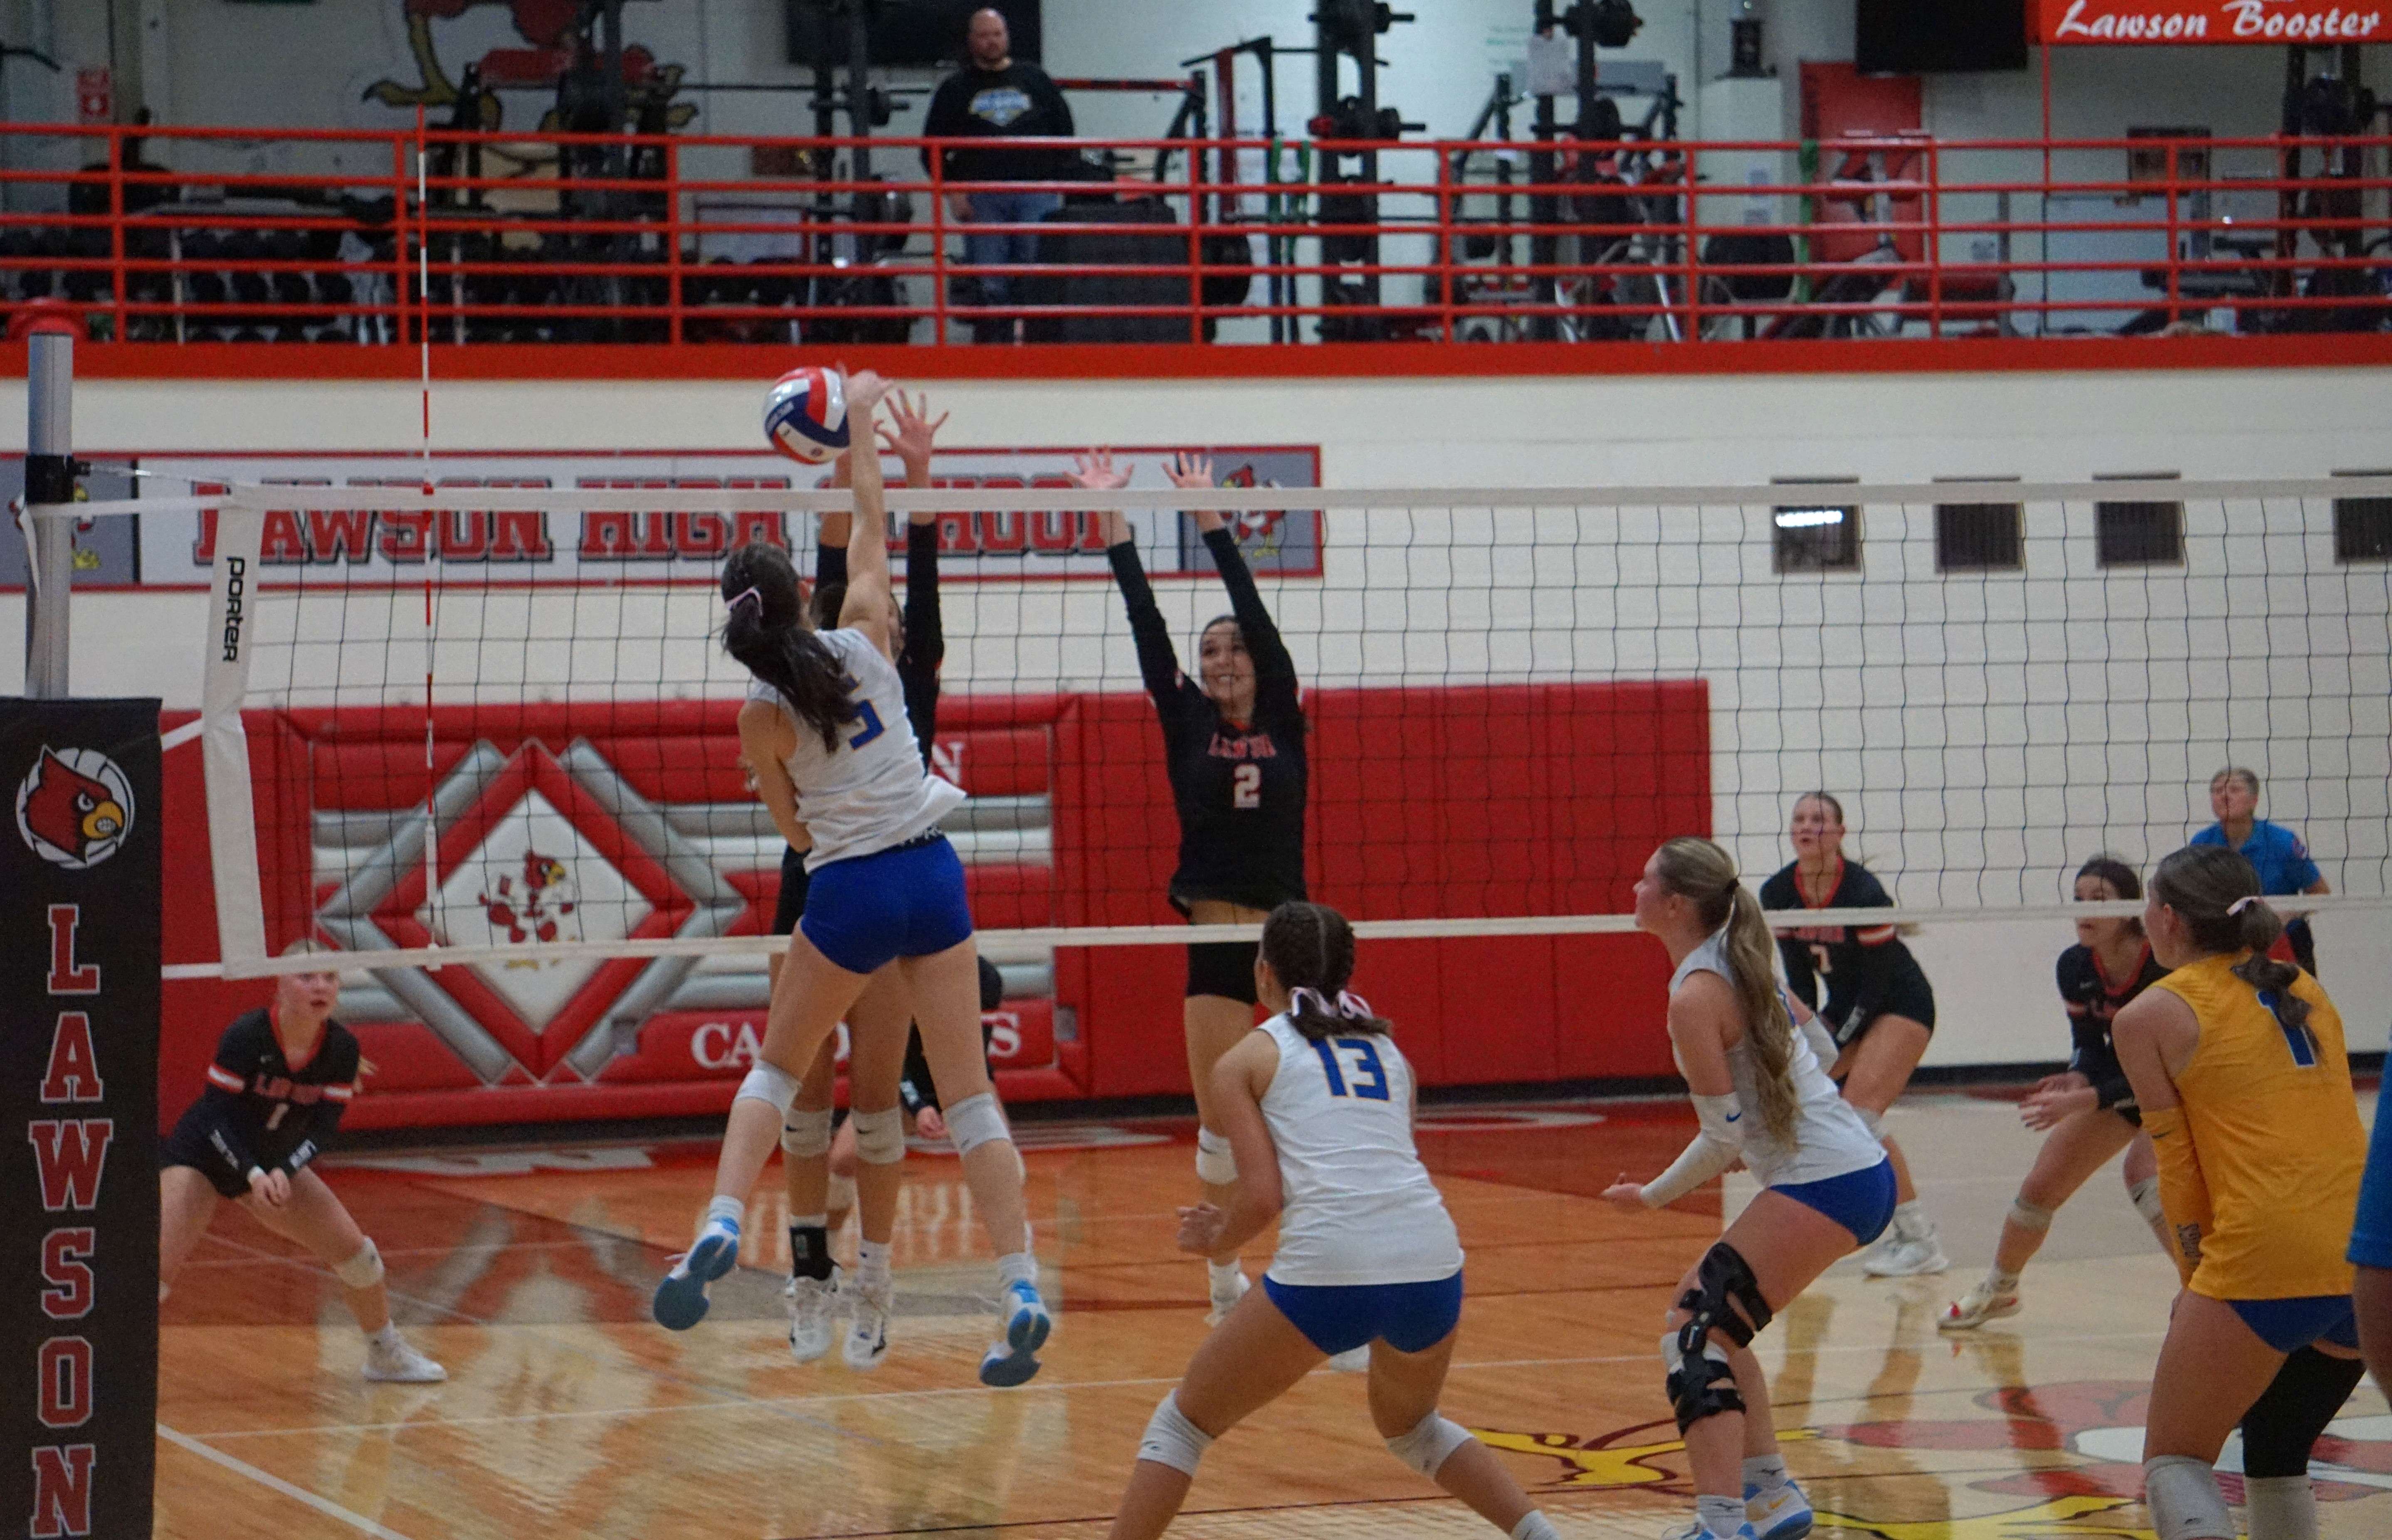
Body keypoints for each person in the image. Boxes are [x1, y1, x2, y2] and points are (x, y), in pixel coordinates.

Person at [655, 370, 1050, 1390]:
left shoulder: (757, 714)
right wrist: (862, 418)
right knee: (970, 1100)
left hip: (847, 888)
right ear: (806, 594)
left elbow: (793, 830)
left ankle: (720, 1221)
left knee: (776, 1074)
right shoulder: (871, 629)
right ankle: (1018, 1282)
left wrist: (802, 803)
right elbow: (870, 516)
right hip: (932, 873)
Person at [1108, 900, 1565, 1540]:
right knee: (1415, 1429)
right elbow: (1386, 1167)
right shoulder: (1390, 1052)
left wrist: (1218, 1239)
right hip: (1432, 1262)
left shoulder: (1244, 1060)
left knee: (1181, 1425)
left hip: (1330, 1268)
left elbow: (1262, 1197)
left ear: (1263, 972)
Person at [1074, 448, 1311, 1332]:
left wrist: (1209, 516)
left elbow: (1253, 608)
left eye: (1232, 647)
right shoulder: (1185, 721)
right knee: (1219, 1126)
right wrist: (1114, 523)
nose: (1220, 658)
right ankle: (1222, 1280)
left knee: (1310, 1115)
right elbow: (1145, 624)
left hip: (1287, 941)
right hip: (1215, 937)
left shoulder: (1283, 710)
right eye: (1208, 650)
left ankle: (1323, 1275)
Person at [1605, 837, 1895, 1540]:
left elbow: (1722, 1140)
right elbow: (1822, 1052)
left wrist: (1650, 1196)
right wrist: (1771, 1117)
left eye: (1645, 880)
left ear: (1675, 904)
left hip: (1827, 1181)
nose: (1634, 890)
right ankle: (1769, 1498)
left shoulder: (1696, 995)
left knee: (1691, 1334)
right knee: (1719, 1334)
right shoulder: (1745, 963)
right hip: (1853, 1171)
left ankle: (1720, 1522)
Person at [770, 391, 966, 1371]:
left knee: (876, 1098)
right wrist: (846, 449)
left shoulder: (908, 662)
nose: (880, 611)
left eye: (890, 611)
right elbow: (848, 555)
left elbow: (898, 560)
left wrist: (912, 473)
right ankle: (809, 1276)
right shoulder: (814, 663)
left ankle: (875, 1281)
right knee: (802, 1099)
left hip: (890, 876)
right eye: (866, 605)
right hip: (816, 880)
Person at [2113, 845, 2367, 1540]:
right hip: (2366, 1254)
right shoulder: (2304, 987)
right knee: (2277, 1450)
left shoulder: (2147, 1016)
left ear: (2167, 918)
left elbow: (2177, 1166)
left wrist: (2195, 1282)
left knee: (2175, 1459)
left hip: (2265, 1255)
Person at [158, 960, 446, 1385]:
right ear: (280, 983)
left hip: (272, 1162)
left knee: (360, 1260)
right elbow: (214, 1118)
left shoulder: (341, 1049)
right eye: (307, 976)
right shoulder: (247, 1035)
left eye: (329, 977)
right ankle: (110, 1365)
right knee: (155, 1271)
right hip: (204, 1155)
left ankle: (385, 1355)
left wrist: (284, 1168)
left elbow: (322, 1129)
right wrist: (253, 1173)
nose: (320, 986)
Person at [1941, 855, 2173, 1331]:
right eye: (2078, 899)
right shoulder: (2074, 965)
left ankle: (2210, 1294)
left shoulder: (2161, 965)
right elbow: (2088, 1045)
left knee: (2142, 1174)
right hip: (2123, 1086)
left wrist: (2085, 1099)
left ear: (2129, 909)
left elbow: (2164, 1069)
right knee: (2040, 1187)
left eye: (2099, 900)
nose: (2084, 909)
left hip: (2182, 1088)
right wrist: (2077, 1079)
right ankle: (2001, 1290)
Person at [1758, 792, 1947, 1278]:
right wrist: (1799, 1040)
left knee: (1859, 1114)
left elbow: (1876, 984)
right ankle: (1808, 1222)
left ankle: (1919, 1240)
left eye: (1818, 820)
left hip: (1899, 1004)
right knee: (1797, 1102)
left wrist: (1835, 1039)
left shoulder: (1863, 892)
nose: (1806, 827)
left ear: (1840, 833)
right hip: (1846, 1008)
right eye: (1799, 819)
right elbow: (1801, 982)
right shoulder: (1778, 892)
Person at [921, 7, 1075, 335]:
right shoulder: (955, 88)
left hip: (1036, 193)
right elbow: (930, 149)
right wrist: (953, 191)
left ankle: (1035, 347)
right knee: (989, 281)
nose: (991, 42)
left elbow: (1065, 132)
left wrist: (1057, 182)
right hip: (983, 196)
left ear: (1007, 37)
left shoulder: (1035, 79)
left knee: (1037, 274)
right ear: (971, 40)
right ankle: (994, 349)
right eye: (983, 35)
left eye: (997, 34)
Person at [2191, 766, 2330, 976]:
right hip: (2225, 945)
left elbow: (2321, 893)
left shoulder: (2282, 842)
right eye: (2217, 791)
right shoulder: (2202, 844)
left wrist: (2287, 913)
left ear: (2254, 800)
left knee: (2296, 996)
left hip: (2284, 941)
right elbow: (2191, 897)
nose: (2224, 796)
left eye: (2234, 789)